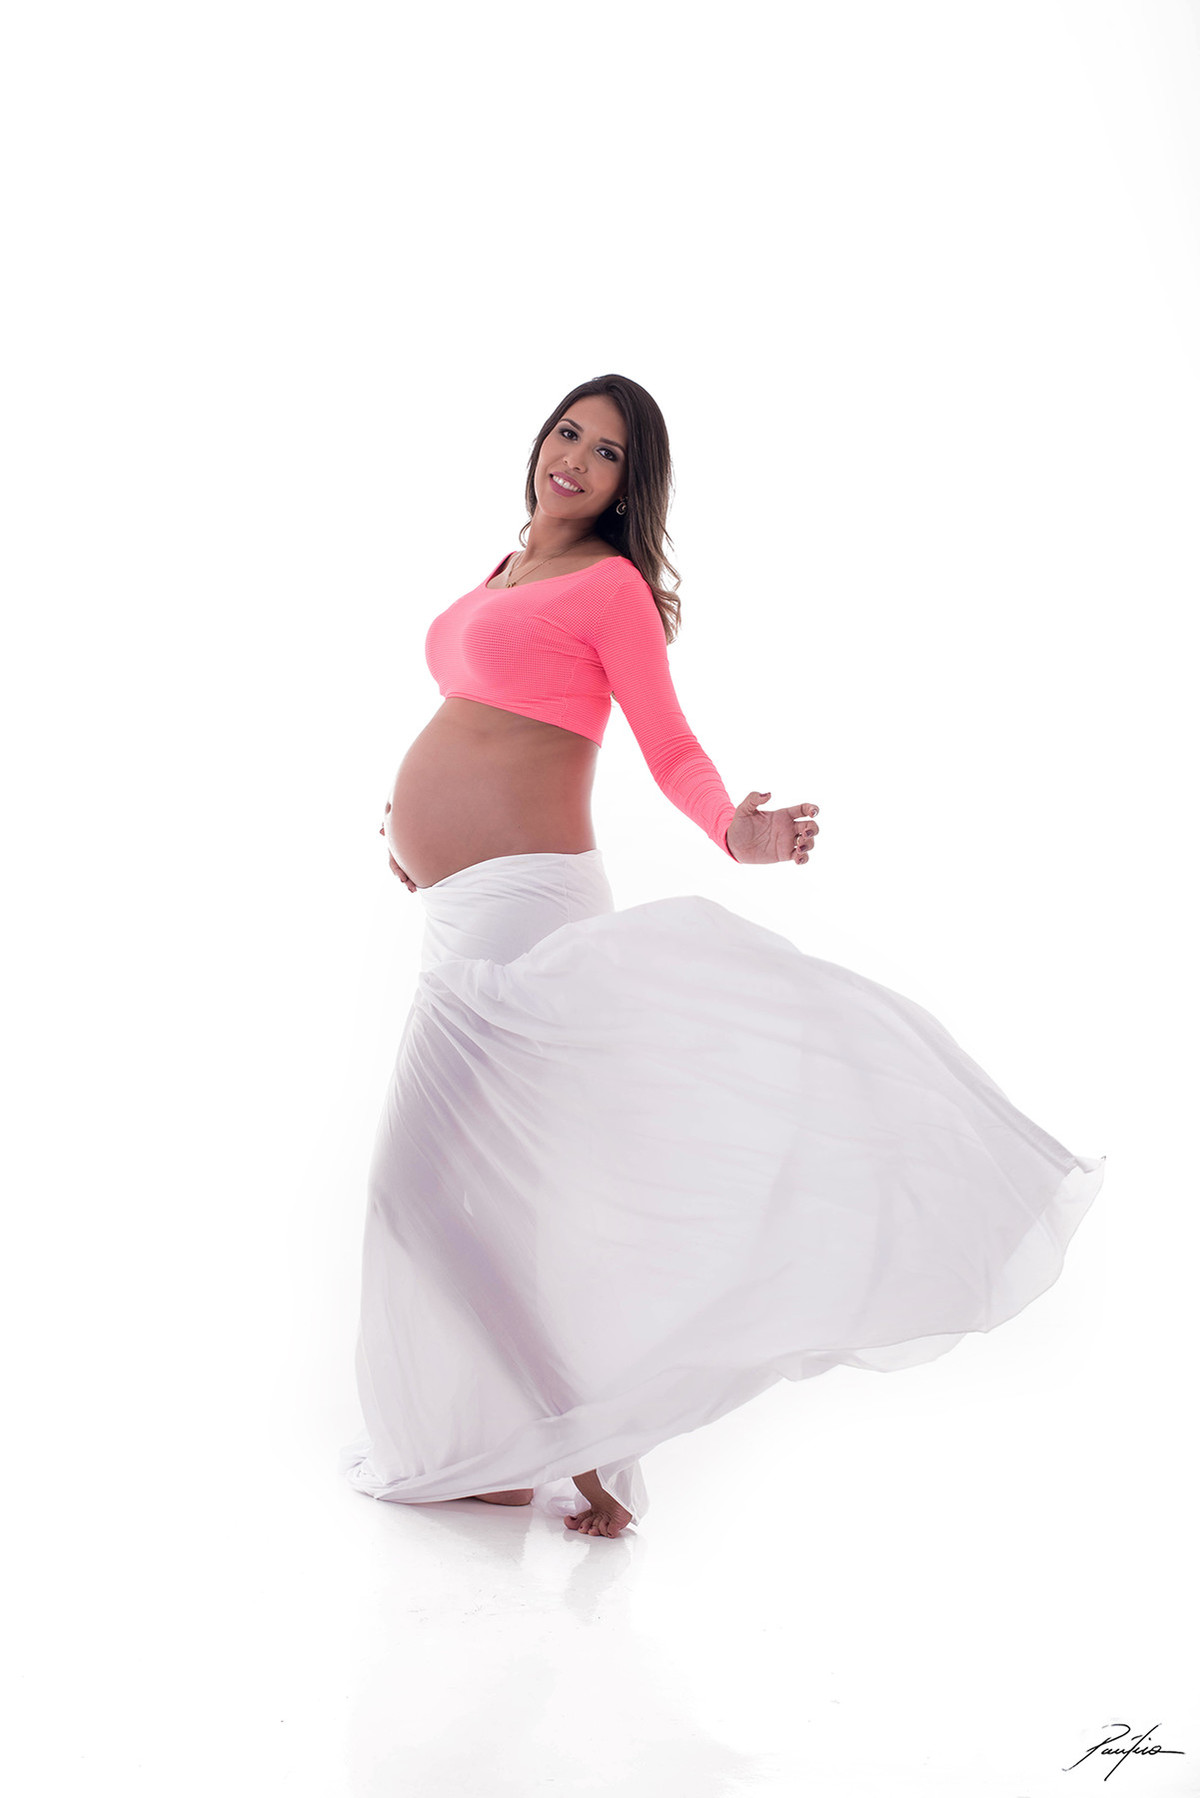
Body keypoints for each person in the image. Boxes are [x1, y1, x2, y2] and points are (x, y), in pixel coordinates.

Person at [339, 373, 1105, 1539]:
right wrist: (413, 834)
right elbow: (487, 725)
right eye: (567, 432)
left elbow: (670, 744)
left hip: (522, 908)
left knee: (418, 1188)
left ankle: (580, 1444)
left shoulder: (611, 589)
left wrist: (734, 830)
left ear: (627, 484)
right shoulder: (504, 571)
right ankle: (543, 1444)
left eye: (606, 451)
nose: (574, 458)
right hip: (459, 907)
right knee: (459, 1196)